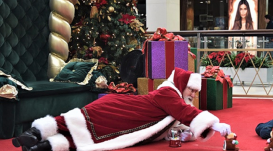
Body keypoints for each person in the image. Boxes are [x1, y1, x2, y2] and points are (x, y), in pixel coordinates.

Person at [12, 67, 231, 151]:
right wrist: (215, 123)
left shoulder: (175, 102)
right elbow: (186, 114)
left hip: (130, 122)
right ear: (181, 85)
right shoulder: (169, 94)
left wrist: (187, 134)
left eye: (196, 92)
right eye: (191, 89)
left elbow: (179, 122)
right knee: (82, 121)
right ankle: (35, 133)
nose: (193, 95)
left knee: (96, 137)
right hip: (120, 109)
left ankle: (41, 147)